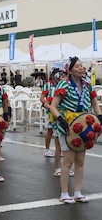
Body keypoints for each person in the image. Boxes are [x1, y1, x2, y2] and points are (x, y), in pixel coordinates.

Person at [49, 56, 102, 204]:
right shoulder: (64, 85)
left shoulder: (87, 84)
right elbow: (53, 106)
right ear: (69, 70)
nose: (81, 68)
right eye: (77, 66)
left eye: (81, 66)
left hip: (84, 123)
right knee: (68, 161)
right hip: (67, 124)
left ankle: (78, 191)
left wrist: (100, 116)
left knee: (80, 161)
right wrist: (60, 119)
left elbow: (94, 103)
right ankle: (64, 193)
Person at [42, 66, 74, 177]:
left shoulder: (70, 88)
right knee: (58, 144)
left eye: (65, 75)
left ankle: (67, 166)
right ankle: (58, 168)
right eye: (61, 76)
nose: (64, 78)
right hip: (57, 118)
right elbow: (47, 102)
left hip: (68, 118)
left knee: (70, 145)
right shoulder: (53, 89)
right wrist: (49, 107)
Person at [40, 68, 57, 158]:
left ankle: (59, 150)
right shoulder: (48, 85)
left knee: (59, 131)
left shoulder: (62, 84)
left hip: (60, 110)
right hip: (50, 110)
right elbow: (42, 97)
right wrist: (47, 105)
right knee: (50, 130)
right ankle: (47, 150)